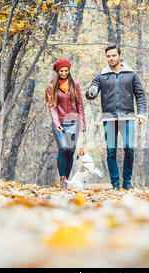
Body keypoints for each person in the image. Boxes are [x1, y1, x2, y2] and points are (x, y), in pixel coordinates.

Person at [85, 44, 147, 191]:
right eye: (108, 56)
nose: (111, 58)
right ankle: (115, 184)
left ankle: (127, 182)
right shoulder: (101, 75)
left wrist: (142, 113)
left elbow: (140, 95)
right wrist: (91, 91)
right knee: (111, 151)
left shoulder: (131, 73)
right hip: (109, 118)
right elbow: (90, 94)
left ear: (119, 55)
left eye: (114, 55)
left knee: (129, 148)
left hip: (128, 117)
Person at [45, 58, 86, 189]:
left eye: (66, 71)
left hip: (74, 122)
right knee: (63, 148)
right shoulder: (51, 87)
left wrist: (83, 125)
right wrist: (56, 122)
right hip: (60, 123)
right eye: (61, 71)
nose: (64, 73)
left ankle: (66, 181)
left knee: (71, 151)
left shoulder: (75, 85)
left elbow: (80, 105)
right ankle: (62, 178)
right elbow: (52, 106)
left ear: (69, 71)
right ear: (57, 72)